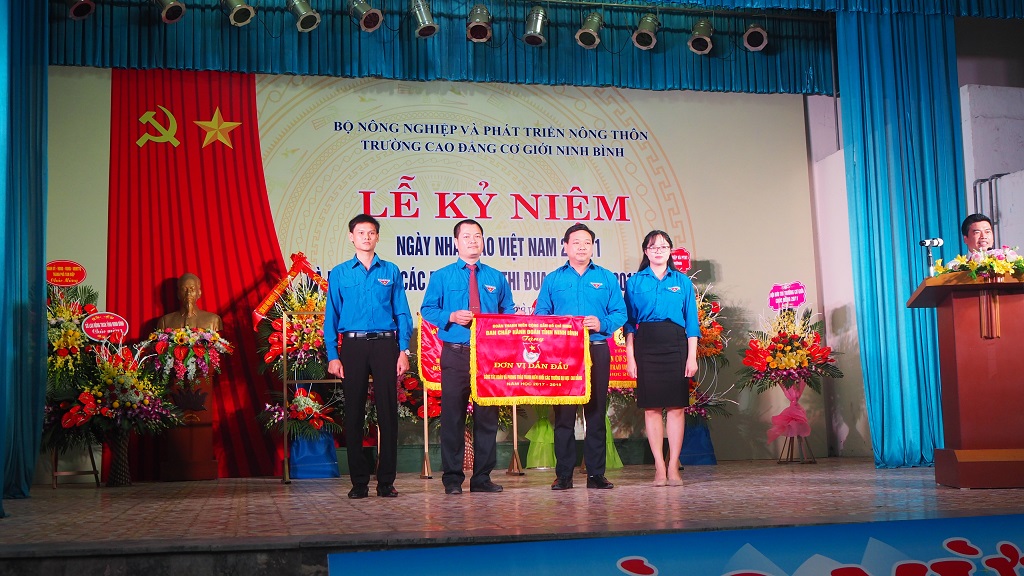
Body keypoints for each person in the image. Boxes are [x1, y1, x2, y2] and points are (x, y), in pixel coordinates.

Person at [420, 219, 515, 495]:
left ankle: (482, 478)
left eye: (477, 236)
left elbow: (508, 311)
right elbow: (428, 309)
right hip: (456, 353)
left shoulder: (496, 277)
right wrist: (450, 316)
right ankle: (452, 479)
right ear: (456, 242)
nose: (473, 241)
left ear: (483, 241)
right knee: (453, 417)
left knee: (487, 418)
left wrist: (500, 330)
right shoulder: (442, 276)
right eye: (467, 236)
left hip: (488, 356)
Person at [324, 214, 413, 500]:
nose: (366, 237)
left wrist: (403, 350)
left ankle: (386, 481)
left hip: (386, 345)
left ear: (377, 237)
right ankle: (359, 482)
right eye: (361, 232)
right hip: (353, 347)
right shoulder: (340, 273)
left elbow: (402, 312)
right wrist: (333, 355)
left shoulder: (391, 270)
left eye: (371, 232)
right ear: (351, 237)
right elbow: (331, 316)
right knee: (353, 413)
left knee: (388, 413)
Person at [534, 223, 626, 491]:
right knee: (563, 415)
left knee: (595, 413)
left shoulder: (606, 277)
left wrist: (602, 323)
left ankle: (596, 474)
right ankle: (563, 475)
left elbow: (620, 312)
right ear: (565, 246)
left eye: (587, 242)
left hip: (596, 348)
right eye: (576, 242)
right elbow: (540, 315)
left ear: (593, 247)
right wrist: (559, 323)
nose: (582, 247)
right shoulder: (553, 279)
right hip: (563, 354)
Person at [623, 230, 699, 487]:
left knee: (677, 408)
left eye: (664, 246)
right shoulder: (635, 282)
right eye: (653, 247)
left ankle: (673, 464)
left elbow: (692, 323)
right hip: (646, 345)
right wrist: (630, 357)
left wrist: (692, 357)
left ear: (670, 251)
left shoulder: (682, 281)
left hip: (676, 344)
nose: (658, 251)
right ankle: (658, 467)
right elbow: (629, 324)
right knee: (652, 408)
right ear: (646, 251)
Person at [157, 273, 223, 331]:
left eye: (192, 289)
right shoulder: (165, 322)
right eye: (184, 289)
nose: (188, 293)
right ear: (178, 294)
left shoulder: (214, 320)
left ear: (199, 293)